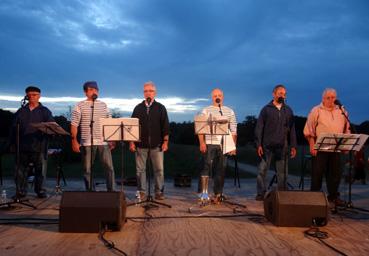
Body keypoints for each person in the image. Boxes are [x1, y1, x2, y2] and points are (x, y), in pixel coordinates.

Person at [303, 88, 350, 206]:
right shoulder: (316, 110)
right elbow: (309, 128)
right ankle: (314, 197)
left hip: (336, 148)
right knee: (317, 173)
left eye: (333, 97)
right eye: (328, 97)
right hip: (320, 148)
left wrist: (345, 145)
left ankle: (333, 197)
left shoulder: (342, 111)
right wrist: (312, 144)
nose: (331, 100)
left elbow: (346, 128)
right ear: (323, 99)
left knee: (335, 173)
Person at [254, 84, 297, 201]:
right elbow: (259, 128)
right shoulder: (266, 109)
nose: (282, 95)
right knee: (262, 170)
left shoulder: (288, 110)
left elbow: (292, 129)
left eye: (284, 94)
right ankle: (261, 193)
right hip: (267, 146)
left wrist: (293, 146)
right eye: (280, 93)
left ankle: (282, 193)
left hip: (282, 146)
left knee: (282, 172)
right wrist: (258, 145)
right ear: (274, 94)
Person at [71, 81, 115, 191]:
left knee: (109, 168)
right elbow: (74, 124)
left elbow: (109, 123)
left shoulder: (103, 105)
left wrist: (111, 139)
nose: (94, 91)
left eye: (96, 89)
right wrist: (74, 140)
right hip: (87, 142)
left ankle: (112, 192)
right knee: (87, 169)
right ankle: (90, 192)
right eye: (91, 89)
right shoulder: (79, 105)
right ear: (85, 92)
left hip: (103, 142)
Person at [11, 86, 54, 199]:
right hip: (22, 146)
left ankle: (40, 190)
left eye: (34, 95)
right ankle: (20, 191)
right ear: (26, 96)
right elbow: (13, 128)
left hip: (39, 146)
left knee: (40, 171)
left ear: (39, 96)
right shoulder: (21, 111)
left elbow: (52, 127)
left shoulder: (45, 111)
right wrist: (13, 144)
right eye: (29, 95)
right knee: (20, 171)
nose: (32, 97)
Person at [129, 81, 169, 200]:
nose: (148, 93)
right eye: (146, 91)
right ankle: (141, 192)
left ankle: (159, 192)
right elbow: (132, 126)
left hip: (157, 145)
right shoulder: (138, 108)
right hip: (140, 145)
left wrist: (165, 142)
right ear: (143, 93)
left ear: (155, 93)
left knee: (159, 170)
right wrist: (131, 142)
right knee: (140, 170)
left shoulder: (160, 108)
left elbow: (165, 126)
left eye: (151, 91)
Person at [198, 88, 237, 203]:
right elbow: (200, 128)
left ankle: (218, 193)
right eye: (215, 95)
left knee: (221, 169)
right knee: (206, 167)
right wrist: (202, 142)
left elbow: (234, 130)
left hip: (224, 144)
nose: (217, 97)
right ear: (212, 97)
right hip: (209, 143)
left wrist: (233, 146)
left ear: (223, 97)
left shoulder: (229, 111)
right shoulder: (205, 110)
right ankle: (203, 193)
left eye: (219, 95)